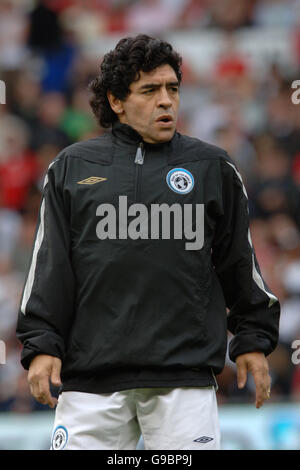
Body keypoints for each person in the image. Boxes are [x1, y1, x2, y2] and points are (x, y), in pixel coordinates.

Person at [16, 34, 280, 451]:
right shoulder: (72, 167)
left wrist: (253, 340)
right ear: (117, 101)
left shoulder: (212, 167)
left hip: (184, 380)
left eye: (172, 89)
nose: (166, 101)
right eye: (150, 90)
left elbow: (239, 262)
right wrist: (41, 344)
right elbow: (50, 267)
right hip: (90, 382)